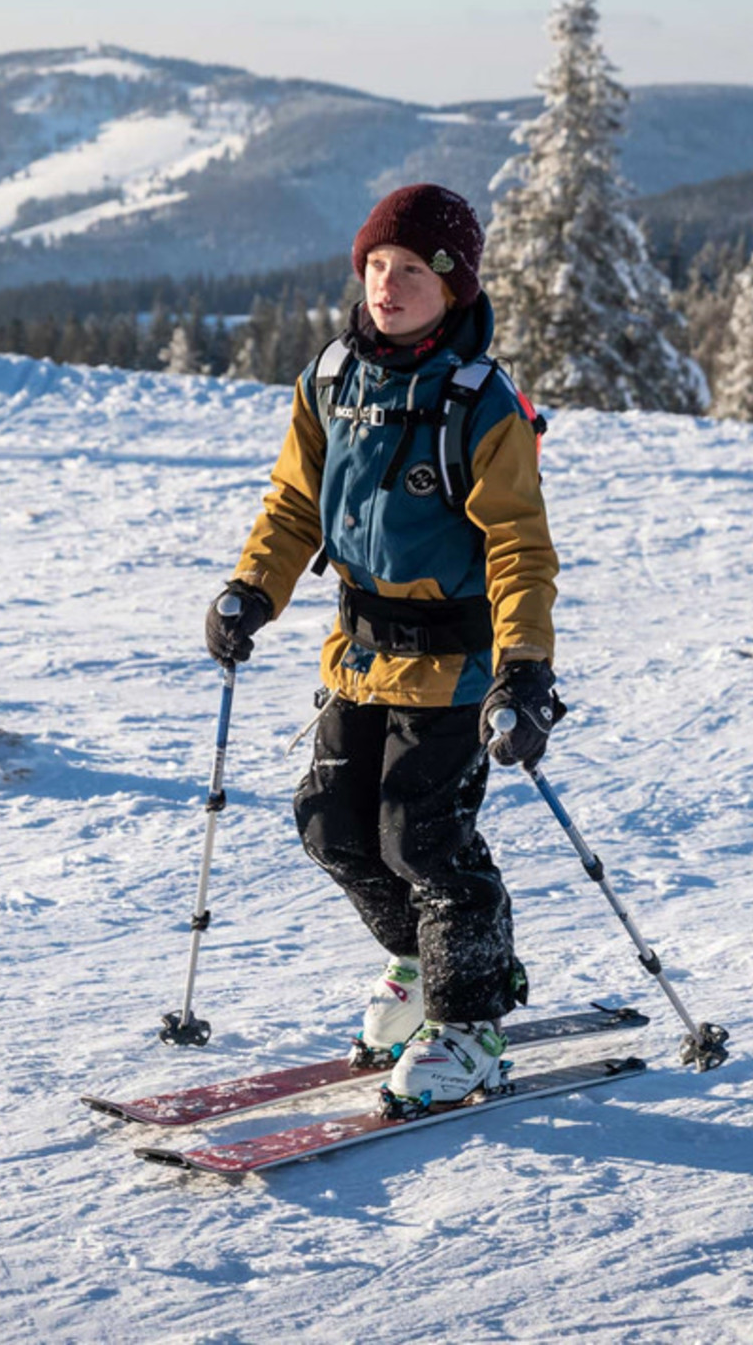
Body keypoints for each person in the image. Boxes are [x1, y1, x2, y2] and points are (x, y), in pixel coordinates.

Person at [204, 183, 563, 1108]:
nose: (387, 286)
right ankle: (418, 962)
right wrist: (252, 590)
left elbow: (519, 546)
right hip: (358, 655)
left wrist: (526, 671)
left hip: (459, 665)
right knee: (332, 826)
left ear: (454, 288)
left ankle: (472, 1018)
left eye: (410, 270)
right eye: (375, 267)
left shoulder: (481, 403)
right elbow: (294, 505)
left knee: (426, 842)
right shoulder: (331, 381)